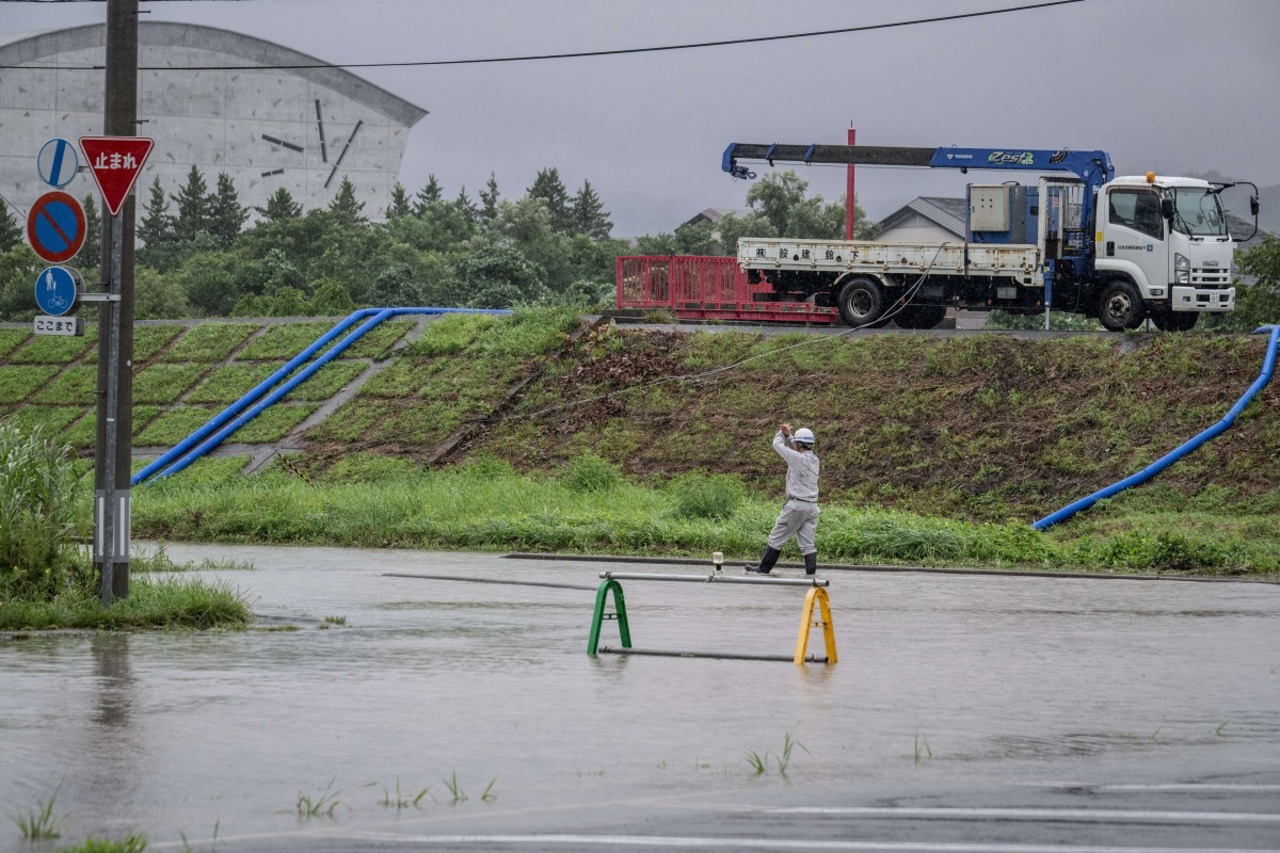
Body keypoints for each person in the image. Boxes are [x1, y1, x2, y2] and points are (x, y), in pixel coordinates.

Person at [746, 423, 820, 576]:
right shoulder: (814, 460)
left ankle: (763, 569)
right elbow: (796, 449)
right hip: (812, 508)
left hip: (796, 506)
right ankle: (811, 575)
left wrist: (781, 433)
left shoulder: (797, 459)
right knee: (807, 544)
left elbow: (776, 444)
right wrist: (789, 436)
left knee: (776, 537)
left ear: (800, 444)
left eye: (796, 443)